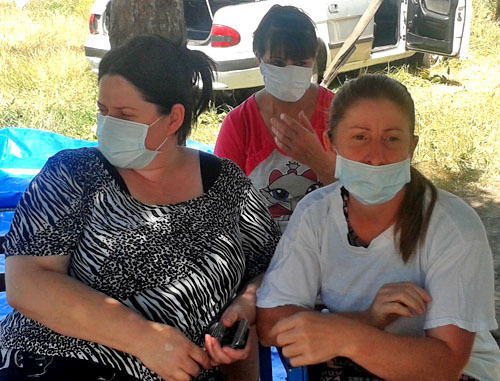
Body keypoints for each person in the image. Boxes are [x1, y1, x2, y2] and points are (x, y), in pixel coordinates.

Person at [0, 35, 280, 381]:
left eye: (125, 114)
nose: (107, 124)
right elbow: (26, 283)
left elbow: (273, 265)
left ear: (173, 119)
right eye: (103, 110)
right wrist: (144, 339)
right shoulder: (72, 174)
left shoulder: (227, 184)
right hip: (51, 365)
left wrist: (247, 303)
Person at [256, 74, 500, 380]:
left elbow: (446, 364)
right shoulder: (315, 214)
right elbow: (270, 324)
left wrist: (344, 335)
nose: (376, 157)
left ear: (412, 147)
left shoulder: (454, 226)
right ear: (330, 143)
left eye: (392, 139)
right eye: (360, 137)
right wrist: (367, 319)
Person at [214, 5, 336, 233]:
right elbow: (222, 207)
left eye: (300, 64)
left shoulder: (337, 113)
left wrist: (320, 162)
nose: (289, 71)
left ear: (315, 58)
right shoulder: (240, 124)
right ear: (258, 57)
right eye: (278, 63)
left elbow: (363, 199)